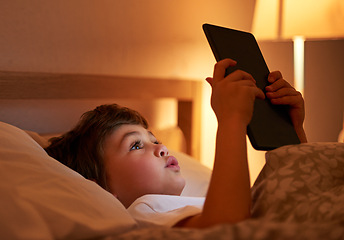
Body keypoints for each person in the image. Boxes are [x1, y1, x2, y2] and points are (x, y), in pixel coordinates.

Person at [45, 58, 307, 228]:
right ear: (101, 191)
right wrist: (232, 120)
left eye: (155, 140)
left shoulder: (200, 203)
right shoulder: (146, 211)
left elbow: (295, 203)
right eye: (136, 145)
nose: (162, 148)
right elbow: (226, 229)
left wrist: (293, 131)